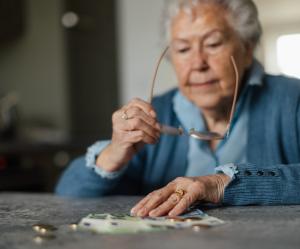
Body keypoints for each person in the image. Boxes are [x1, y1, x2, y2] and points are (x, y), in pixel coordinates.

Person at [56, 0, 300, 217]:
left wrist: (220, 185)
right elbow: (67, 196)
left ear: (247, 48)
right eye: (183, 49)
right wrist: (112, 155)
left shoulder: (292, 100)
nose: (197, 64)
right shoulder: (156, 113)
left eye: (213, 44)